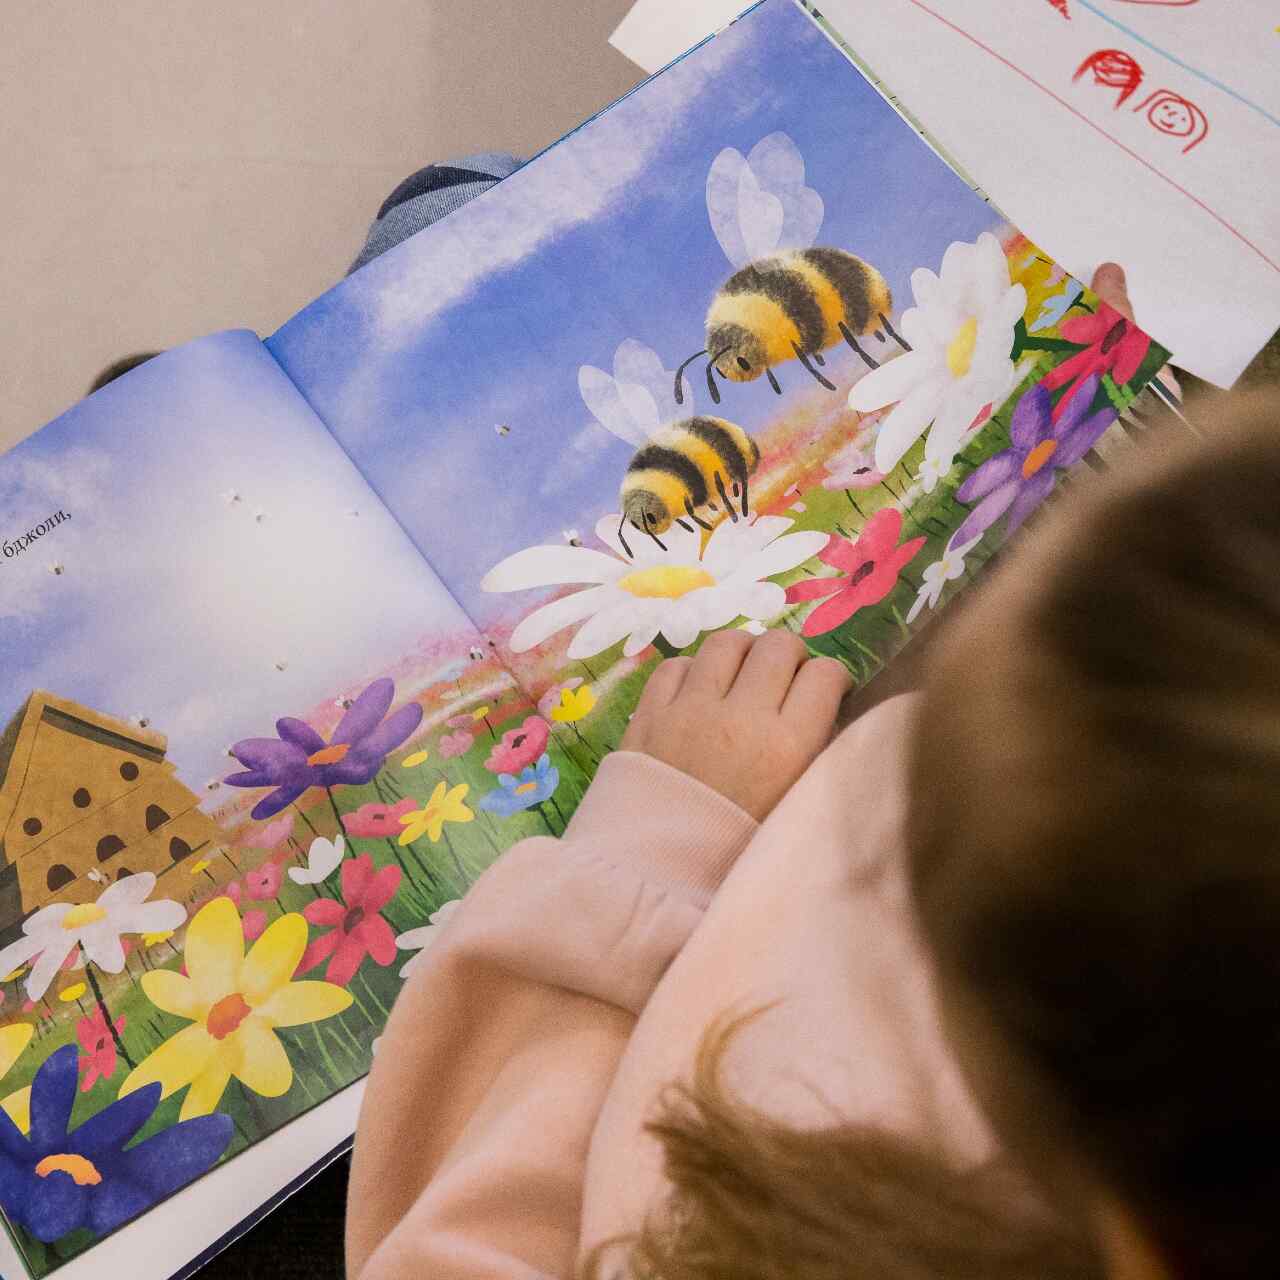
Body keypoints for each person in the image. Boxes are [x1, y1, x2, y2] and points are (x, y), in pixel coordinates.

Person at [347, 260, 1269, 1279]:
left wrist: (657, 843)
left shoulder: (784, 1201)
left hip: (679, 881)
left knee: (431, 216)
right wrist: (1101, 466)